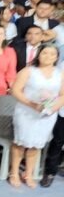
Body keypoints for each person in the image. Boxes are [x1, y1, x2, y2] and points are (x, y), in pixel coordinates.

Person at [9, 44, 64, 188]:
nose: (48, 56)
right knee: (20, 143)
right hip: (26, 111)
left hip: (47, 114)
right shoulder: (28, 71)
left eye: (52, 54)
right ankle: (14, 172)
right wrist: (32, 104)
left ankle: (28, 173)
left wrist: (53, 108)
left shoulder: (60, 74)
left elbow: (63, 95)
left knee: (36, 145)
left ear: (57, 57)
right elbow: (15, 90)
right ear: (39, 54)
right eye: (45, 53)